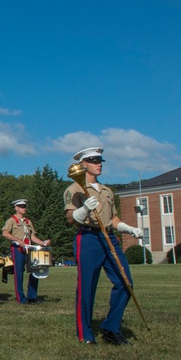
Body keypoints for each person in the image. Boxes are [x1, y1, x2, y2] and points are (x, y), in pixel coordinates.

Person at [66, 147, 142, 346]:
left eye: (100, 160)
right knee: (87, 286)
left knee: (125, 282)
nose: (98, 164)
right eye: (93, 160)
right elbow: (70, 218)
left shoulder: (107, 190)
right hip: (88, 238)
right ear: (83, 164)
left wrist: (128, 228)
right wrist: (83, 210)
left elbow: (113, 218)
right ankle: (85, 334)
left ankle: (111, 327)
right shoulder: (74, 189)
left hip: (109, 238)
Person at [2, 198, 51, 304]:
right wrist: (18, 240)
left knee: (35, 271)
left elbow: (32, 236)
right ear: (16, 208)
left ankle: (32, 296)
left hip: (30, 249)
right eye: (21, 207)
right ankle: (21, 297)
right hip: (18, 249)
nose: (24, 208)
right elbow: (5, 233)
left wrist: (42, 242)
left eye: (25, 206)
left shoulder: (28, 221)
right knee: (19, 273)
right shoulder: (12, 220)